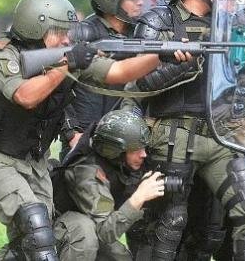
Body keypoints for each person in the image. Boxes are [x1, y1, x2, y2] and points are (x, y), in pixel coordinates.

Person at [0, 0, 164, 261]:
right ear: (37, 27)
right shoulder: (0, 56)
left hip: (33, 160)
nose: (67, 39)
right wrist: (67, 64)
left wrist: (162, 55)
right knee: (34, 223)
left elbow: (119, 73)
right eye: (59, 31)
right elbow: (26, 96)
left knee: (38, 238)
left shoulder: (64, 57)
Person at [131, 0, 245, 260]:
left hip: (222, 137)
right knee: (169, 223)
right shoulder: (159, 22)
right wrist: (182, 66)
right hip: (173, 136)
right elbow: (139, 82)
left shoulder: (230, 25)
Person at [59, 0, 153, 160]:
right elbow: (56, 89)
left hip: (127, 141)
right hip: (84, 139)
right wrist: (70, 133)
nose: (140, 2)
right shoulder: (81, 35)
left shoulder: (142, 34)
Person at [53, 109, 165, 260]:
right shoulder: (87, 173)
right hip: (59, 229)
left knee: (120, 257)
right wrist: (139, 197)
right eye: (137, 150)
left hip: (92, 224)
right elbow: (106, 231)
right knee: (84, 235)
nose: (143, 154)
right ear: (115, 149)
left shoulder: (117, 162)